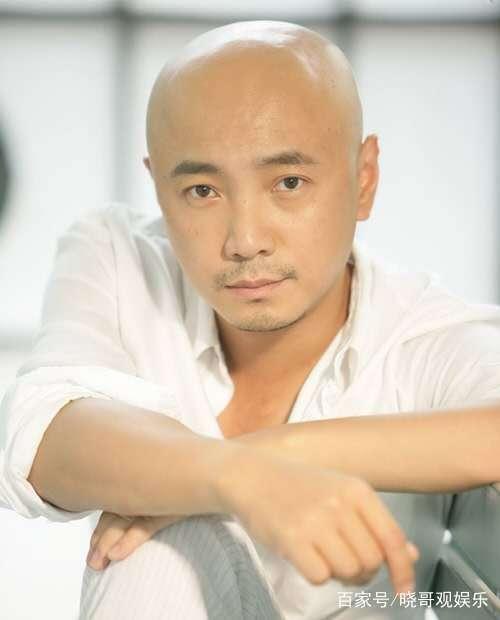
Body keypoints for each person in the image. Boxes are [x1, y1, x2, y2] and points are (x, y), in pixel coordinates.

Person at [1, 19, 500, 620]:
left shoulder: (422, 333)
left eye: (288, 182)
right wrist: (231, 476)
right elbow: (41, 432)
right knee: (163, 545)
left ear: (364, 179)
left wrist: (268, 458)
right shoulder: (118, 256)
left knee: (172, 510)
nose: (244, 240)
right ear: (158, 188)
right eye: (202, 191)